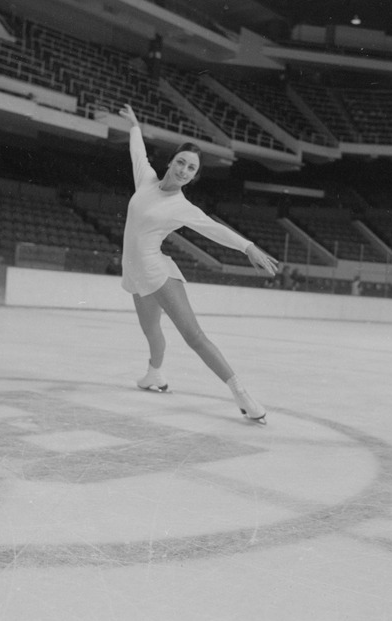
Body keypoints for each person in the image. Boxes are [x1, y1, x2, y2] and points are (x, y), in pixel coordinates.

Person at [118, 103, 278, 424]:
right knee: (151, 331)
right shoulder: (146, 180)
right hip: (135, 273)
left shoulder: (182, 206)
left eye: (191, 169)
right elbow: (138, 153)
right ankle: (155, 375)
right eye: (181, 162)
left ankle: (242, 394)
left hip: (158, 273)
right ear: (171, 162)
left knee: (193, 336)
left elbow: (214, 229)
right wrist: (135, 125)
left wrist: (247, 246)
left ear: (193, 177)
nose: (183, 170)